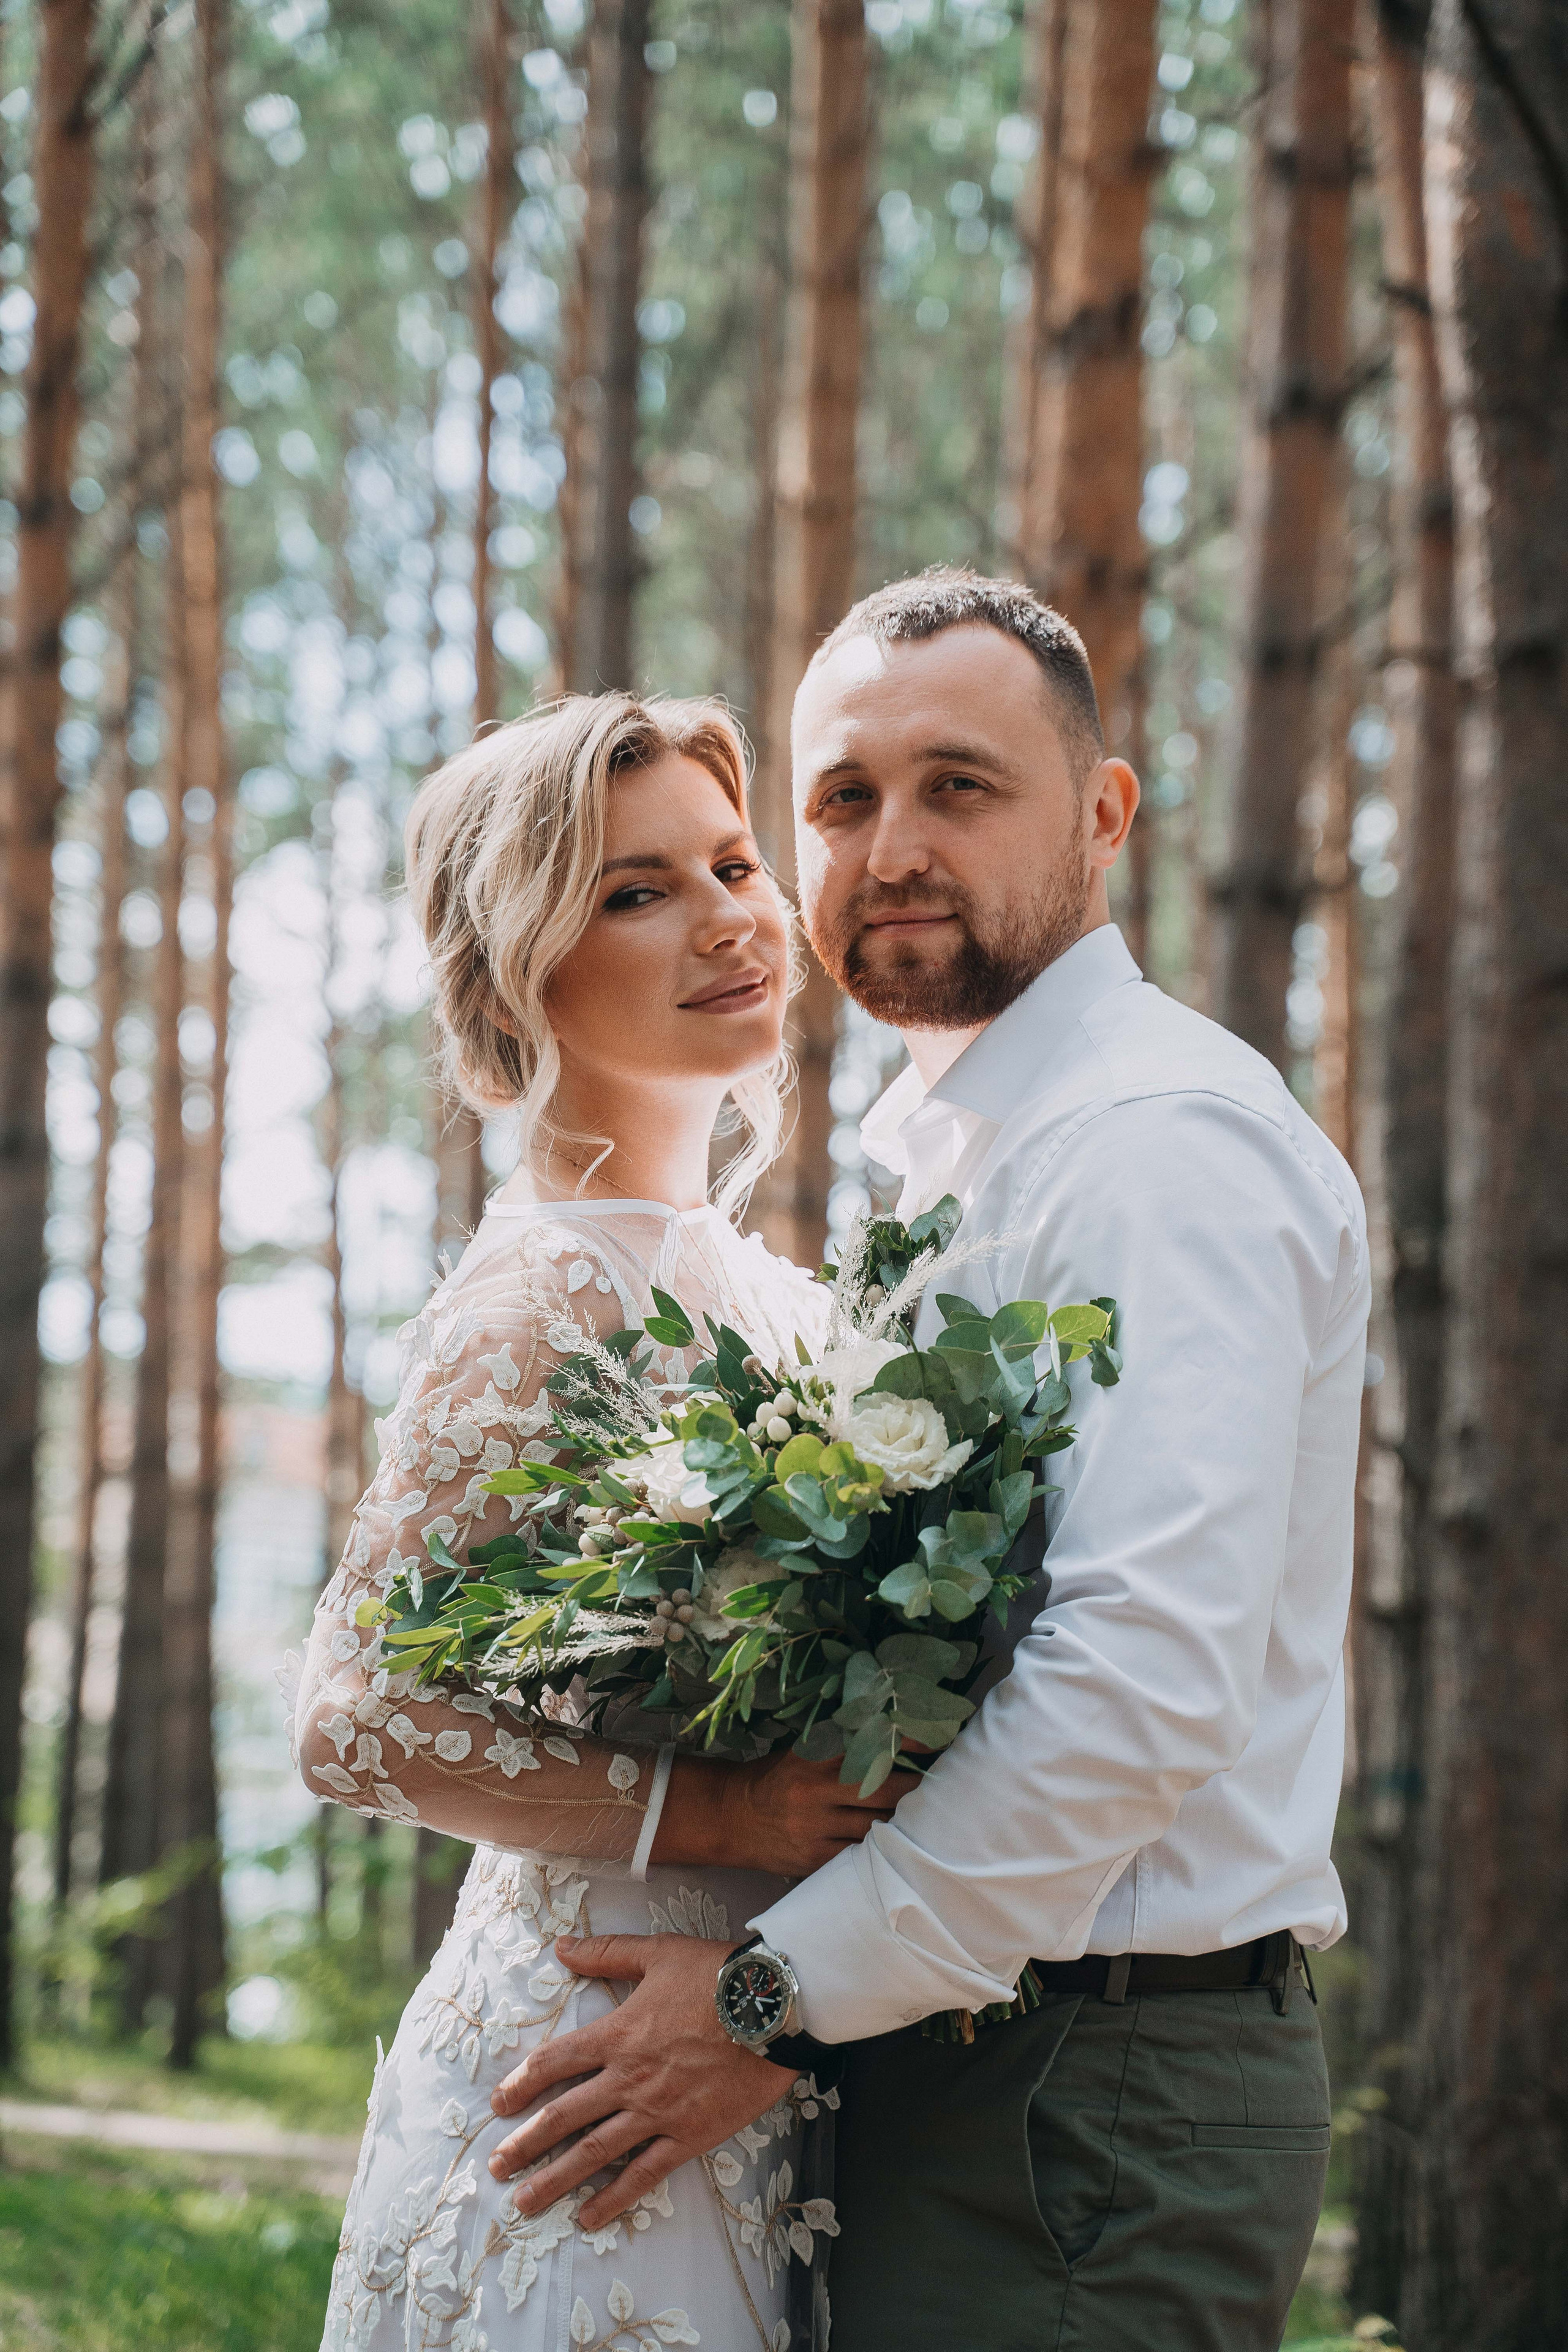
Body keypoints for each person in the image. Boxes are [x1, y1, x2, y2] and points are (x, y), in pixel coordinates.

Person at [496, 572, 1370, 2352]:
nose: (893, 846)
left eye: (961, 787)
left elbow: (1134, 1686)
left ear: (1104, 814)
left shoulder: (1152, 1148)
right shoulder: (966, 1152)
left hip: (1093, 2099)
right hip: (964, 2052)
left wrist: (760, 1997)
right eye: (844, 800)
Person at [293, 690, 916, 2352]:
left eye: (731, 863)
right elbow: (351, 1727)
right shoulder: (541, 1291)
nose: (729, 918)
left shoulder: (767, 1294)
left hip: (754, 2076)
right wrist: (726, 1815)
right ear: (517, 968)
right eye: (639, 892)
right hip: (578, 2076)